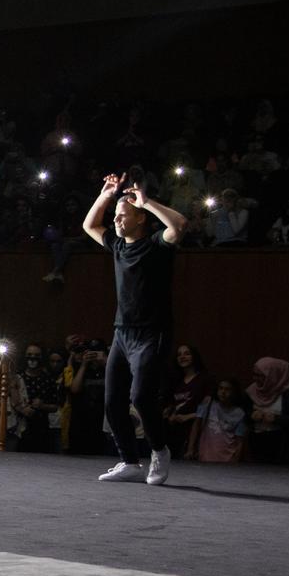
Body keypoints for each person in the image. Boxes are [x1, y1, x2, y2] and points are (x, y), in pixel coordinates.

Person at [81, 172, 187, 485]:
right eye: (115, 216)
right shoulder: (117, 246)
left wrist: (146, 201)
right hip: (122, 333)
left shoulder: (157, 245)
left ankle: (159, 450)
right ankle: (129, 461)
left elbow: (179, 226)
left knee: (140, 397)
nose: (116, 221)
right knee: (112, 401)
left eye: (123, 216)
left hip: (152, 333)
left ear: (141, 219)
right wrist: (107, 195)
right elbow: (89, 225)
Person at [187, 377, 248, 464]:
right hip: (206, 455)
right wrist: (190, 449)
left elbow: (240, 441)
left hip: (227, 457)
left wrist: (236, 460)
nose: (223, 392)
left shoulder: (240, 414)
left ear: (234, 392)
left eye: (227, 389)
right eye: (221, 388)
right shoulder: (208, 403)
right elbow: (196, 425)